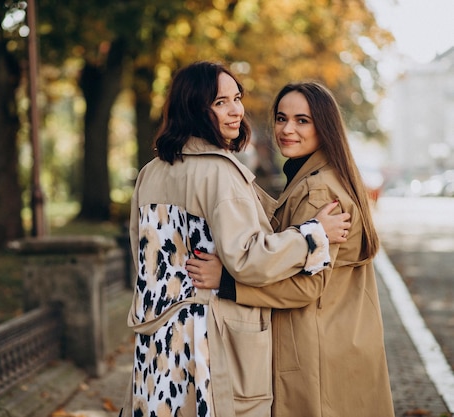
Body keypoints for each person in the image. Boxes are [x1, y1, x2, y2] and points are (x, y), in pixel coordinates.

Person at [123, 63, 351, 417]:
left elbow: (142, 259)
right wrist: (312, 236)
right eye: (220, 102)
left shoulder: (149, 173)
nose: (236, 110)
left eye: (237, 98)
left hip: (159, 341)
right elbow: (249, 260)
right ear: (195, 108)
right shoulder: (219, 172)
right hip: (213, 343)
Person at [187, 81, 395, 416]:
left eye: (302, 120)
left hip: (315, 352)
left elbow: (307, 286)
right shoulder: (324, 175)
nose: (287, 129)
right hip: (341, 342)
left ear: (323, 126)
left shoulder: (317, 191)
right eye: (282, 118)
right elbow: (285, 224)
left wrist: (227, 281)